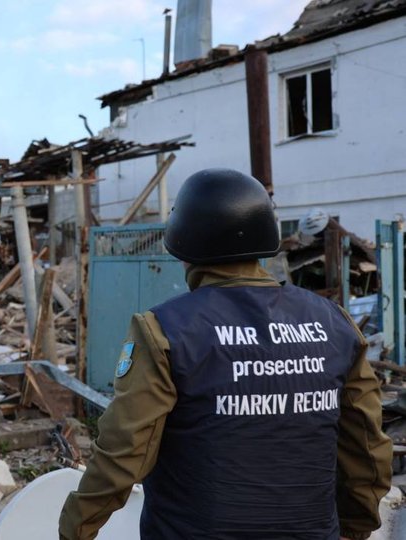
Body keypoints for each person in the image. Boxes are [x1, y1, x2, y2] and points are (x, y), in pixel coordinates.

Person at [58, 169, 392, 540]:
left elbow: (124, 451)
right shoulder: (335, 324)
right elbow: (367, 446)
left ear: (184, 244)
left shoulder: (166, 330)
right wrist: (356, 526)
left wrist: (76, 529)